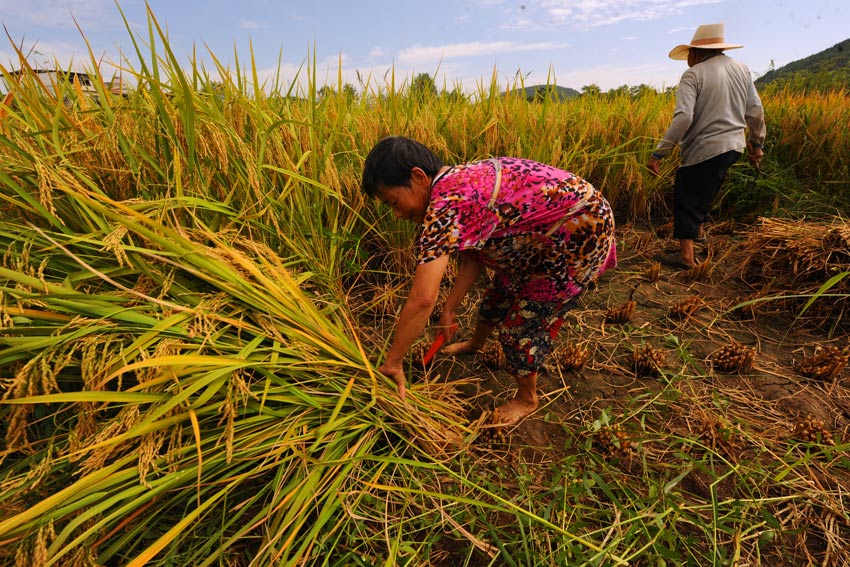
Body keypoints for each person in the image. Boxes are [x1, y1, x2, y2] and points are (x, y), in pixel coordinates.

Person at [361, 136, 617, 425]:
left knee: (521, 327)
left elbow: (421, 299)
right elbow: (474, 254)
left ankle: (526, 399)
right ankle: (476, 344)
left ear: (418, 177)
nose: (396, 213)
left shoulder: (447, 204)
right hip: (543, 236)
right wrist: (450, 308)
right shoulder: (453, 186)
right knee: (499, 293)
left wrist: (393, 362)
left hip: (581, 233)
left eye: (393, 201)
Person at [648, 23, 766, 269]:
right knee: (707, 188)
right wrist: (757, 144)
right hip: (733, 146)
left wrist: (660, 152)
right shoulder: (741, 69)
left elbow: (683, 117)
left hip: (705, 146)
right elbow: (755, 110)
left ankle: (686, 257)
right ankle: (699, 233)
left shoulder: (694, 74)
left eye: (689, 53)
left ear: (696, 53)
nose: (687, 59)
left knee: (686, 196)